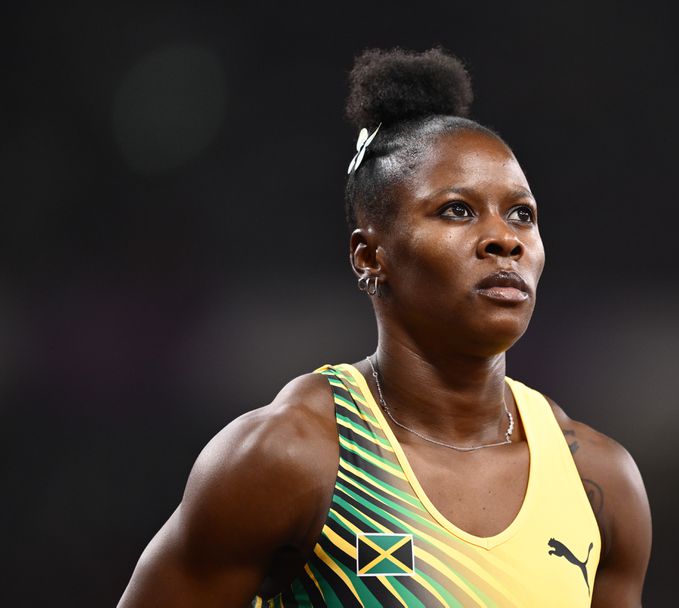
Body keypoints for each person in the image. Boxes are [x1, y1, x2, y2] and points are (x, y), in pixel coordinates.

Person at [118, 47, 651, 607]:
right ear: (370, 256)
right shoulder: (289, 457)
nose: (505, 239)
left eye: (522, 214)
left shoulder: (598, 480)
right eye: (457, 210)